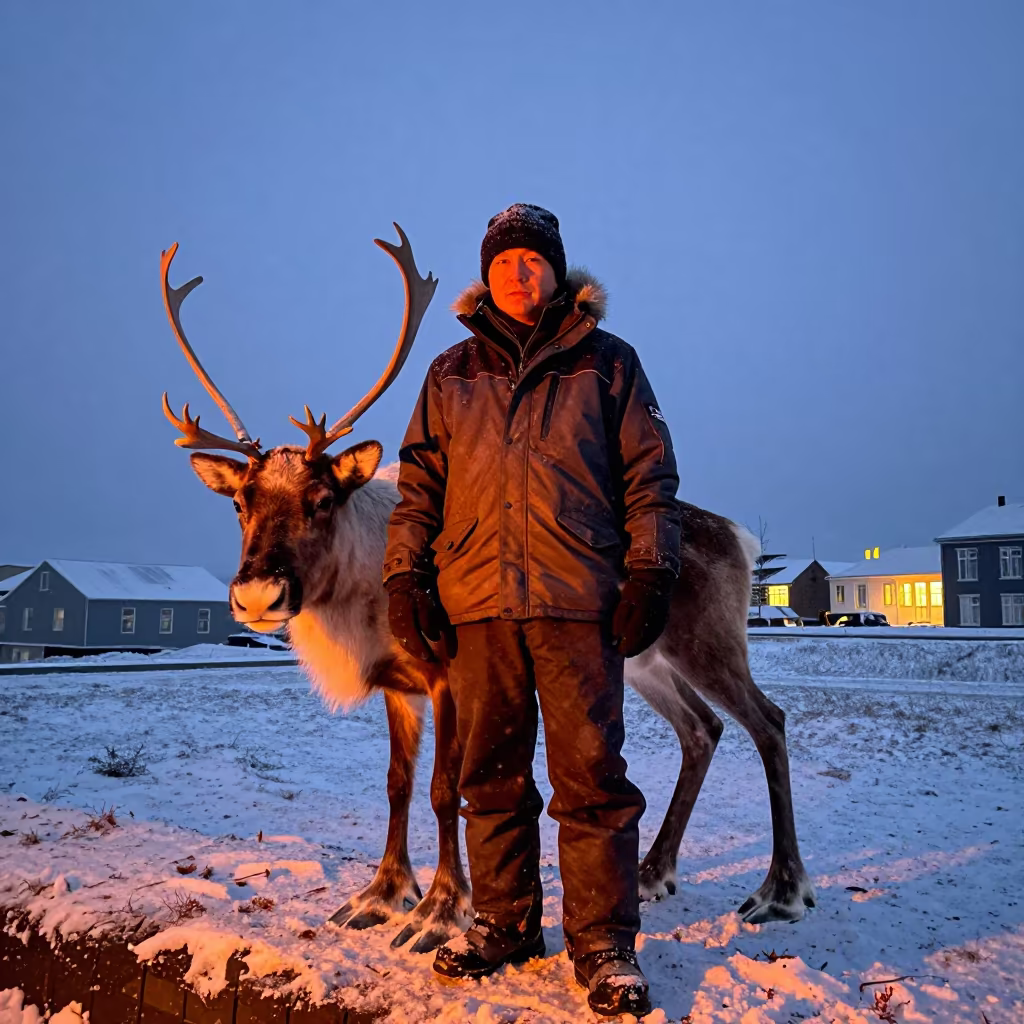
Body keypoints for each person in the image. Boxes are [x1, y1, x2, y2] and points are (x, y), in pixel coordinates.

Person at [382, 203, 680, 1017]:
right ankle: (505, 924)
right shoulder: (450, 373)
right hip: (477, 606)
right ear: (488, 274)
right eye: (505, 261)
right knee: (492, 779)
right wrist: (405, 580)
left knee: (590, 781)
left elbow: (652, 480)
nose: (520, 273)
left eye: (533, 261)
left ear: (557, 271)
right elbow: (418, 492)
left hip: (577, 604)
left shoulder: (606, 363)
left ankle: (603, 945)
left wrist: (651, 573)